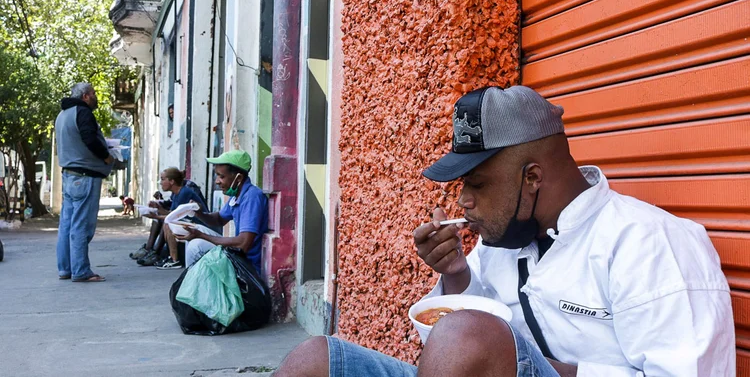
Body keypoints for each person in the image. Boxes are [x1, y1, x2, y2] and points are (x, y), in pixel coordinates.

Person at [274, 86, 735, 376]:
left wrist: (531, 366)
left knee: (465, 337)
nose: (462, 203)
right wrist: (455, 274)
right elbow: (456, 350)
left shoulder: (649, 244)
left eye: (476, 185)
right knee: (315, 360)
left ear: (532, 177)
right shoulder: (503, 240)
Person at [54, 82, 114, 283]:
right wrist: (106, 155)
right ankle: (80, 270)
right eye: (94, 94)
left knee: (67, 225)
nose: (96, 97)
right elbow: (89, 139)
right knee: (81, 226)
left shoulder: (62, 116)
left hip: (69, 175)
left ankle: (65, 269)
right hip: (85, 177)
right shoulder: (83, 112)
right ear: (86, 96)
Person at [178, 150, 268, 274]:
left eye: (222, 176)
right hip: (238, 253)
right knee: (196, 229)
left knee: (196, 246)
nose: (217, 181)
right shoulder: (237, 195)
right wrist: (199, 213)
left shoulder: (252, 197)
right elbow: (219, 219)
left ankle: (190, 286)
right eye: (217, 176)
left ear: (239, 178)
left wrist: (201, 235)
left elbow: (243, 243)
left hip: (246, 263)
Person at [141, 168, 214, 269]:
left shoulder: (184, 193)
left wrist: (156, 215)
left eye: (163, 179)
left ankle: (174, 260)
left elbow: (172, 217)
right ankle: (153, 251)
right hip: (188, 222)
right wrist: (157, 208)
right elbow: (172, 214)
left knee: (168, 224)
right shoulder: (176, 193)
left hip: (199, 224)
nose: (161, 183)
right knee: (164, 221)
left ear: (171, 181)